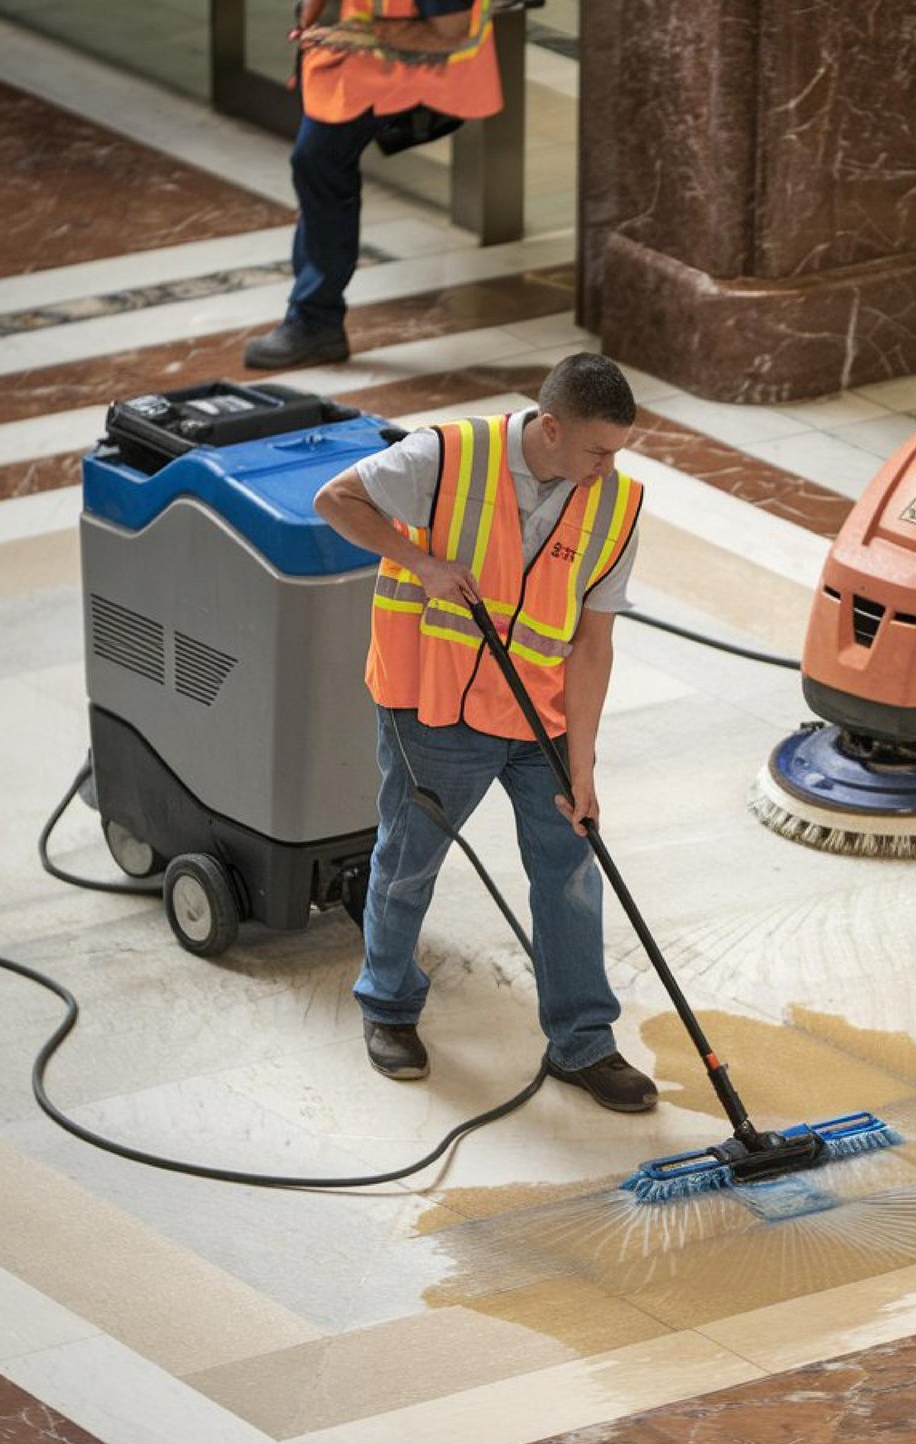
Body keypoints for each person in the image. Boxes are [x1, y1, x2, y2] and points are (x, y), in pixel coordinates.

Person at [313, 352, 658, 1112]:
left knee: (570, 868)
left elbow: (593, 644)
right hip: (433, 707)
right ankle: (388, 1006)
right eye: (597, 450)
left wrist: (583, 767)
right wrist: (420, 562)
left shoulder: (618, 504)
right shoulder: (447, 456)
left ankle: (583, 1043)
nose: (607, 468)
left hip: (539, 718)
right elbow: (335, 499)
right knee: (410, 860)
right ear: (551, 428)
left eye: (617, 452)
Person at [245, 0, 502, 370]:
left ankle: (316, 321)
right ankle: (315, 319)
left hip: (396, 66)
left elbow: (453, 29)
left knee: (319, 163)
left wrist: (361, 34)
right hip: (351, 61)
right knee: (317, 167)